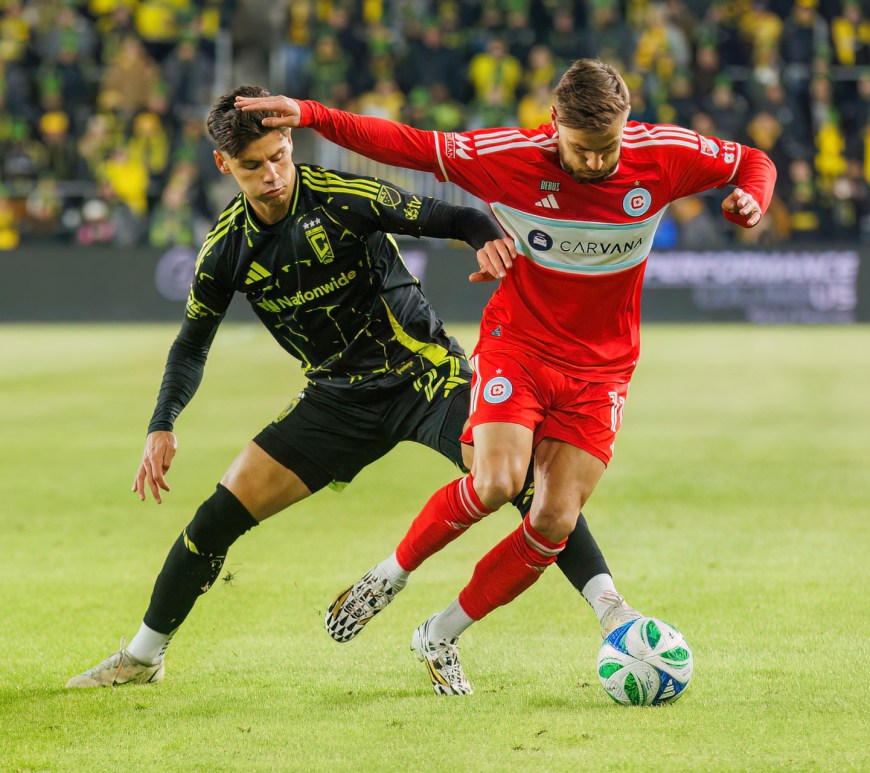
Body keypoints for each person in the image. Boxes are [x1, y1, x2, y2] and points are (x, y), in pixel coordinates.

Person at [236, 57, 777, 695]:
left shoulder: (663, 154)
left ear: (626, 125)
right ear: (553, 124)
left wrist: (753, 198)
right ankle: (390, 574)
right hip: (518, 347)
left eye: (607, 148)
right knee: (496, 480)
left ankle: (440, 633)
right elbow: (408, 145)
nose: (596, 162)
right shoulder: (508, 156)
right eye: (581, 149)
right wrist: (314, 115)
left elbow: (753, 161)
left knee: (553, 520)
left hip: (602, 369)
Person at [65, 84, 633, 688]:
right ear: (224, 165)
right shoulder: (225, 250)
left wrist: (486, 242)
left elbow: (458, 216)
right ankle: (141, 658)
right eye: (253, 166)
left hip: (424, 374)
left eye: (279, 156)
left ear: (290, 141)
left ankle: (610, 612)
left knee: (524, 484)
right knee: (214, 519)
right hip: (335, 398)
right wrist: (162, 423)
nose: (272, 176)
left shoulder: (343, 196)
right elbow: (191, 344)